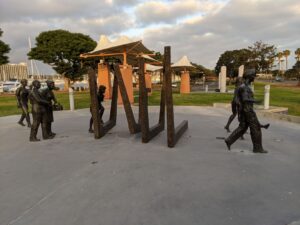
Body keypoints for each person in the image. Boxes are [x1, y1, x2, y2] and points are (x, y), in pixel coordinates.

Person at [225, 69, 269, 153]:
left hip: (245, 110)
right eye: (253, 76)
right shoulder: (244, 87)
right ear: (250, 77)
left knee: (243, 127)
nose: (254, 77)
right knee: (256, 129)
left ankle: (229, 140)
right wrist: (256, 101)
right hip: (248, 110)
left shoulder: (243, 86)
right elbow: (245, 99)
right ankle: (257, 148)